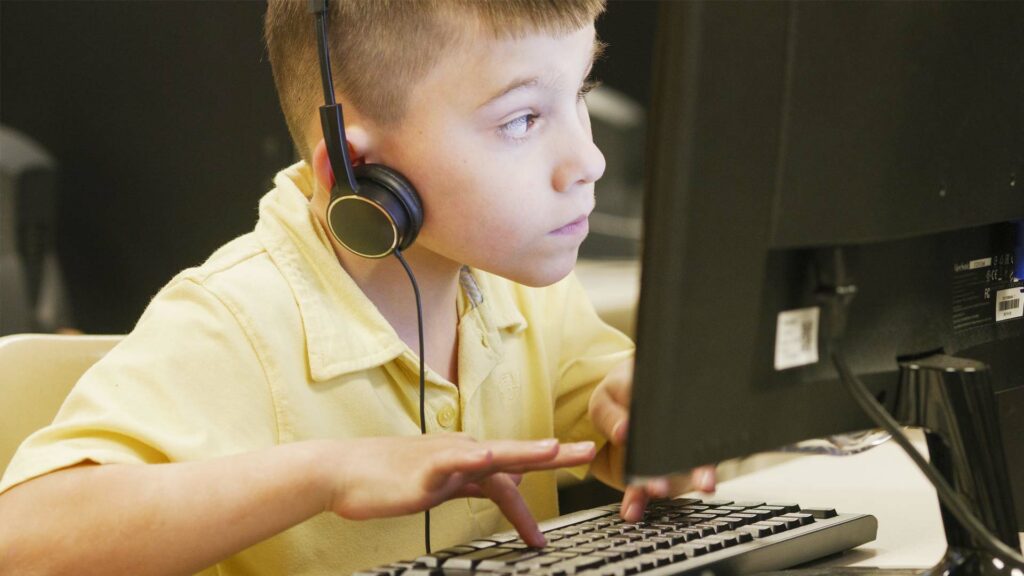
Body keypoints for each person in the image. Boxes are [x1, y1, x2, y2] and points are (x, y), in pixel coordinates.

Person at [0, 2, 714, 574]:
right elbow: (22, 542)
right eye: (522, 118)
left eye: (580, 91)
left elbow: (603, 393)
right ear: (359, 168)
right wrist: (328, 475)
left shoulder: (518, 290)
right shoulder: (239, 321)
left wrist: (644, 421)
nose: (587, 158)